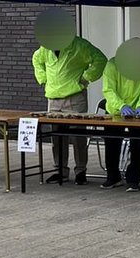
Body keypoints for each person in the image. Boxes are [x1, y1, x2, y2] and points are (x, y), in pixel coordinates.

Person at [32, 35, 107, 183]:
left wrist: (86, 77)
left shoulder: (79, 45)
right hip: (53, 98)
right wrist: (43, 78)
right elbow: (36, 59)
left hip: (74, 96)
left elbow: (100, 59)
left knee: (78, 135)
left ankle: (81, 171)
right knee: (57, 136)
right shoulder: (46, 46)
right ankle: (60, 171)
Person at [101, 56, 140, 191]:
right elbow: (108, 90)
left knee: (137, 144)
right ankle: (113, 177)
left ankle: (133, 179)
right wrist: (121, 105)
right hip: (114, 112)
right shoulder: (112, 65)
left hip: (136, 114)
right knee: (111, 143)